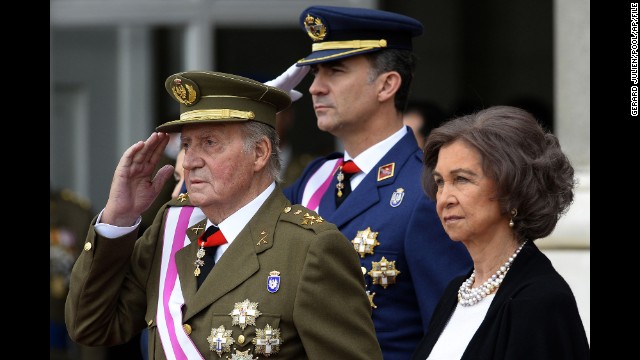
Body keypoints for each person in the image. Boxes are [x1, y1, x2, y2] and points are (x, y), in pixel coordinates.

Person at [65, 70, 383, 360]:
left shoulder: (310, 248)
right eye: (187, 145)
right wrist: (119, 219)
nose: (190, 161)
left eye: (210, 143)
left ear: (259, 152)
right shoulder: (172, 226)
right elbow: (91, 326)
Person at [282, 5, 472, 359]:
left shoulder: (427, 191)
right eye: (315, 73)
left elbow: (449, 334)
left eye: (334, 71)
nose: (315, 88)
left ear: (387, 84)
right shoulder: (314, 179)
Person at [411, 105, 590, 359]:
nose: (444, 199)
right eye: (440, 182)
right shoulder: (456, 291)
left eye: (461, 179)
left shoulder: (541, 300)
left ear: (513, 191)